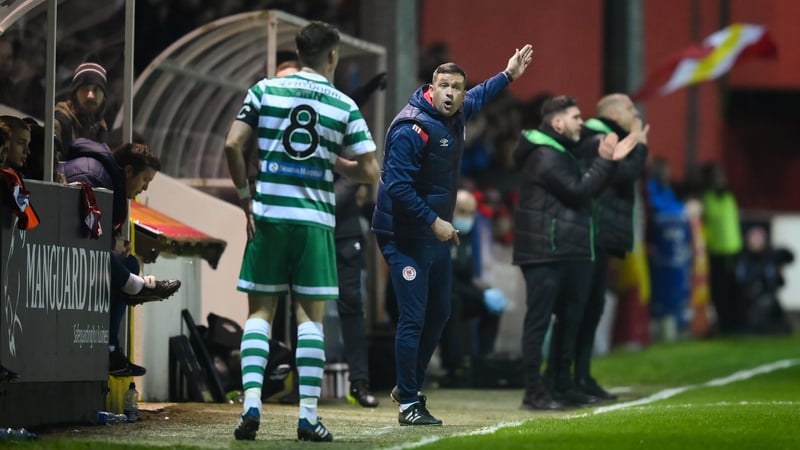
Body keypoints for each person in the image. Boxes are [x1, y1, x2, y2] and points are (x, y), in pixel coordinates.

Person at [223, 21, 379, 442]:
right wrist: (336, 162)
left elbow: (233, 145)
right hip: (315, 222)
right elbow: (370, 170)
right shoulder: (343, 105)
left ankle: (252, 402)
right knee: (311, 318)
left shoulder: (264, 90)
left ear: (299, 51)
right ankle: (308, 416)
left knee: (260, 313)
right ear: (332, 56)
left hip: (269, 215)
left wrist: (244, 198)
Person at [371, 43, 534, 426]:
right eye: (443, 85)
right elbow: (396, 185)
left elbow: (482, 94)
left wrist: (508, 75)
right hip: (402, 234)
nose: (450, 93)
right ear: (431, 87)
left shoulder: (457, 112)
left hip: (433, 233)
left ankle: (406, 385)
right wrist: (435, 220)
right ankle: (410, 401)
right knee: (413, 316)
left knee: (440, 313)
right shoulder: (412, 128)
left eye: (456, 87)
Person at [513, 96, 638, 410]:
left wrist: (608, 164)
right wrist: (606, 162)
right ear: (558, 123)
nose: (581, 122)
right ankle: (534, 390)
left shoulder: (560, 151)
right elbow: (578, 190)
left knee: (570, 318)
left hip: (564, 249)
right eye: (575, 117)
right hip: (545, 250)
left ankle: (561, 384)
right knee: (539, 321)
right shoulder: (544, 154)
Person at [61, 139, 182, 377]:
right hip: (65, 254)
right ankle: (135, 288)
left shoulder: (111, 182)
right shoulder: (93, 176)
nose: (145, 188)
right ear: (128, 171)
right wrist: (110, 244)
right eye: (145, 180)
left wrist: (113, 244)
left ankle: (112, 349)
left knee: (129, 263)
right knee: (122, 271)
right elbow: (82, 235)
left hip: (83, 250)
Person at [568, 94, 649, 400]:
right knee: (582, 307)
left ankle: (582, 377)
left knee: (593, 307)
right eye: (629, 108)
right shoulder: (597, 138)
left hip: (599, 233)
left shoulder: (602, 135)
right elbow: (624, 173)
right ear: (612, 112)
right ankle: (569, 380)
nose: (634, 113)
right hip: (590, 232)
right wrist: (640, 143)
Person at [438, 189, 506, 388]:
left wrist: (484, 291)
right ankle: (453, 367)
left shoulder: (467, 238)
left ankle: (483, 364)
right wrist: (481, 293)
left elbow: (466, 278)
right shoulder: (443, 236)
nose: (466, 217)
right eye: (462, 211)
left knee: (491, 309)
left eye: (470, 212)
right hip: (441, 294)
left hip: (460, 292)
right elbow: (448, 280)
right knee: (452, 303)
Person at [701, 162, 744, 335]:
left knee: (733, 289)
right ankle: (724, 324)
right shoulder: (707, 197)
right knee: (719, 290)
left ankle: (734, 323)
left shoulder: (728, 195)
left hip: (733, 250)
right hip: (716, 251)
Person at [54, 62, 109, 152]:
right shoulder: (59, 124)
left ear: (104, 96)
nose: (90, 96)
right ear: (75, 94)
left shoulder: (100, 127)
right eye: (84, 89)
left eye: (96, 90)